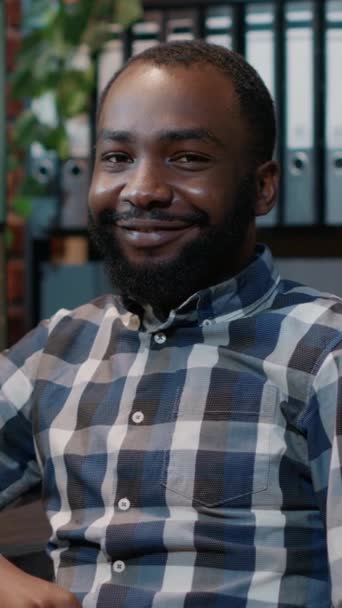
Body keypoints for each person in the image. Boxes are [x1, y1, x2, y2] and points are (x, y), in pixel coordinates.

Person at [0, 39, 342, 608]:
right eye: (117, 158)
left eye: (187, 158)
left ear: (263, 186)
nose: (142, 189)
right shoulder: (56, 351)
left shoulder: (325, 355)